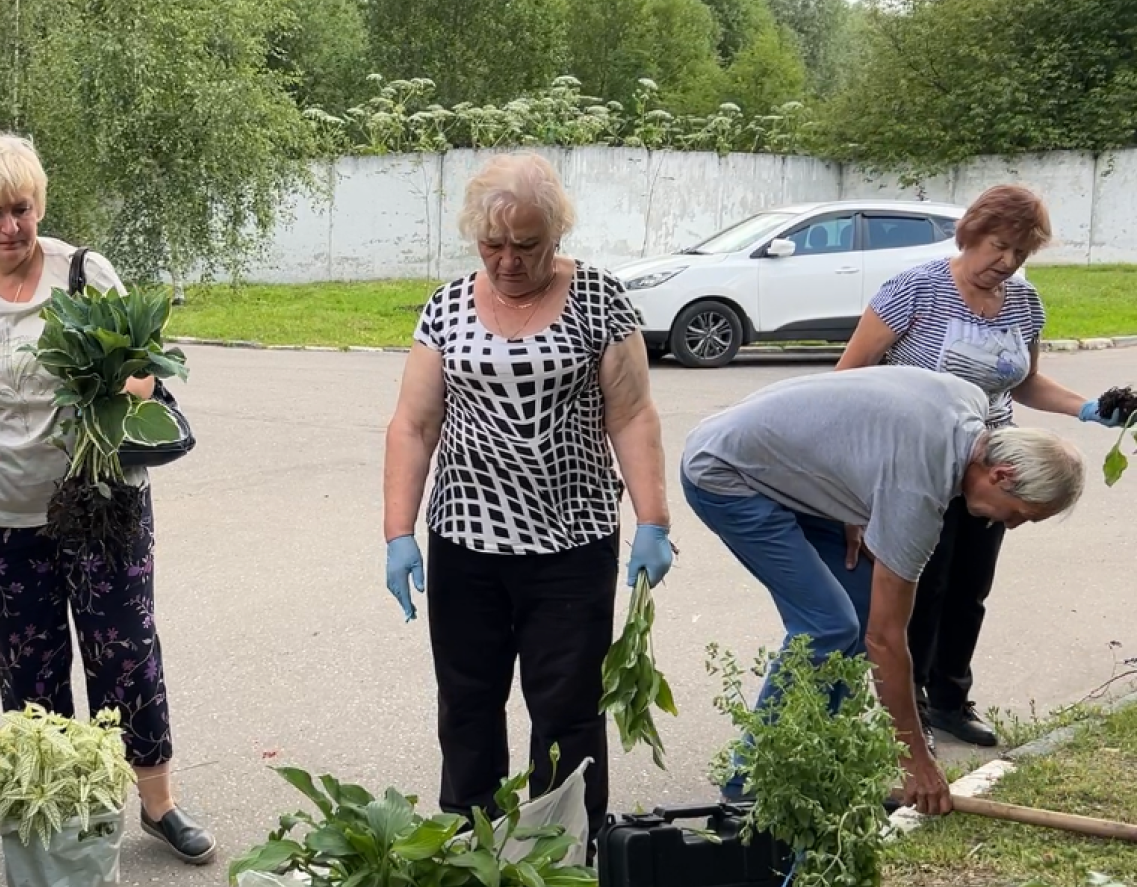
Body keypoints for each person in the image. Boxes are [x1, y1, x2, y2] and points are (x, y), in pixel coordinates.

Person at [0, 125, 217, 865]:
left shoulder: (83, 273)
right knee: (28, 668)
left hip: (101, 506)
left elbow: (143, 371)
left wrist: (106, 381)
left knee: (126, 653)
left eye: (22, 208)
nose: (11, 227)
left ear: (39, 202)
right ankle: (67, 814)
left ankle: (156, 801)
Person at [381, 151, 673, 848]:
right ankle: (470, 849)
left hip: (571, 544)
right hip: (466, 542)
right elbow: (414, 425)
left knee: (567, 711)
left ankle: (566, 852)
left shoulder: (600, 300)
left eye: (527, 245)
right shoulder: (448, 306)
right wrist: (398, 532)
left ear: (557, 235)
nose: (508, 260)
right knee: (468, 706)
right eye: (493, 245)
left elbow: (631, 415)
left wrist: (653, 520)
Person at [681, 365, 1084, 815]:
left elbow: (868, 429)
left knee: (857, 606)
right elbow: (886, 640)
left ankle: (810, 756)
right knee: (830, 626)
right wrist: (913, 759)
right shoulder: (918, 494)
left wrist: (853, 503)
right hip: (726, 472)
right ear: (1002, 475)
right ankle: (751, 779)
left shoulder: (970, 401)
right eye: (1020, 514)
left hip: (777, 463)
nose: (1008, 524)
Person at [835, 185, 1117, 749]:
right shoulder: (915, 289)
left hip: (995, 468)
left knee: (970, 588)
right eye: (1000, 246)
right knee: (922, 584)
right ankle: (906, 704)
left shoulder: (1024, 302)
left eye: (1021, 254)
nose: (1007, 263)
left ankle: (949, 699)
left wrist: (1088, 408)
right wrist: (852, 485)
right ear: (971, 232)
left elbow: (1026, 380)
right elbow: (849, 376)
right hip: (918, 461)